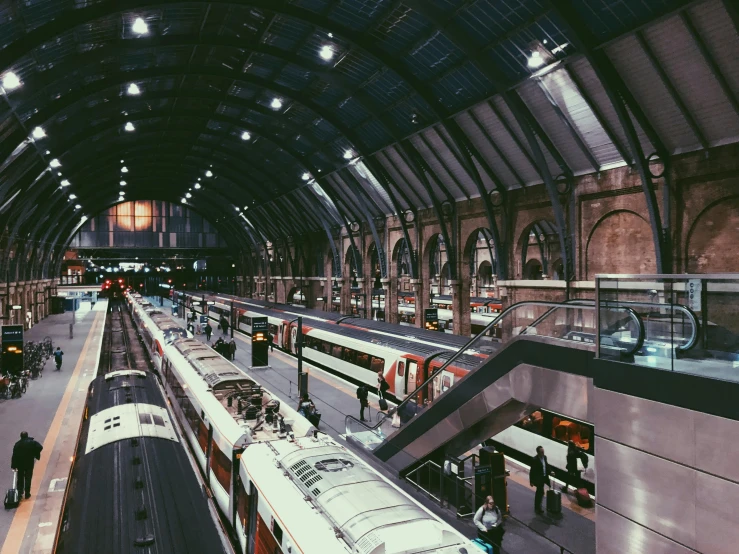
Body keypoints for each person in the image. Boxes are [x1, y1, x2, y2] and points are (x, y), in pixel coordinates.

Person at [11, 432, 43, 500]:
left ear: (21, 436)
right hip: (29, 463)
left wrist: (13, 466)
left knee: (20, 478)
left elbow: (14, 456)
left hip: (20, 465)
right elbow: (40, 447)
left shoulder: (17, 444)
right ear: (27, 435)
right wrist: (35, 453)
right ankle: (27, 493)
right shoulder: (32, 442)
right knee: (28, 478)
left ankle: (20, 493)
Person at [529, 445, 552, 514]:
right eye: (541, 452)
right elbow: (532, 471)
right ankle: (538, 508)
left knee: (540, 493)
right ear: (538, 453)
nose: (543, 453)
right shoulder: (535, 460)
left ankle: (538, 506)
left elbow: (546, 466)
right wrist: (531, 481)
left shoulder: (544, 458)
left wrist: (550, 472)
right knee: (540, 492)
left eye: (543, 452)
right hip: (539, 479)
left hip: (544, 477)